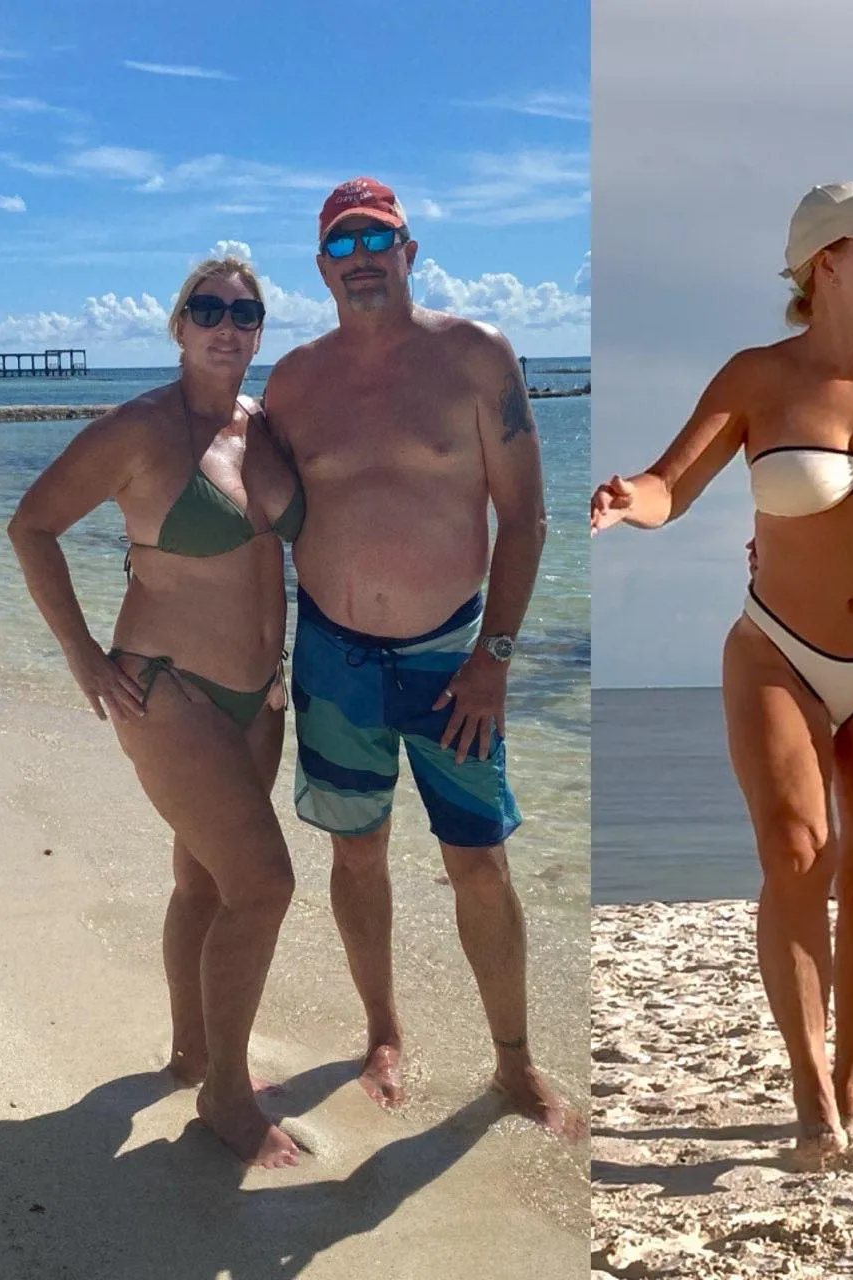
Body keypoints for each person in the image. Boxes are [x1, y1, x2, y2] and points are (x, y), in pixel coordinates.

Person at [591, 182, 853, 1164]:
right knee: (799, 854)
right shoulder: (756, 376)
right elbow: (670, 486)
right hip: (778, 650)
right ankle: (811, 1090)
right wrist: (625, 500)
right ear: (825, 261)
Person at [260, 177, 581, 1137]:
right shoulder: (293, 383)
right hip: (333, 656)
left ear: (410, 250)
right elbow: (253, 520)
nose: (361, 257)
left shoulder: (477, 356)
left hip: (453, 660)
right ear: (321, 267)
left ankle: (514, 1062)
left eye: (378, 238)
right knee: (356, 853)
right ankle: (383, 1033)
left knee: (477, 860)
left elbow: (526, 517)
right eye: (342, 243)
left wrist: (496, 660)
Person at [7, 257, 306, 1168]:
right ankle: (226, 1097)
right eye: (207, 309)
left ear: (260, 331)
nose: (227, 326)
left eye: (245, 313)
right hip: (168, 689)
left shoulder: (265, 428)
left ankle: (192, 1055)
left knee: (205, 883)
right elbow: (31, 526)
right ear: (178, 326)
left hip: (260, 696)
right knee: (265, 885)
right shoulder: (137, 429)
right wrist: (81, 654)